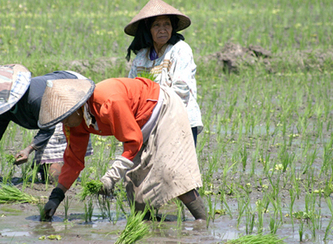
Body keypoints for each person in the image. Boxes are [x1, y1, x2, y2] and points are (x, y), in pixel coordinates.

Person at [37, 77, 207, 222]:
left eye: (65, 117)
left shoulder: (108, 102)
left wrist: (110, 178)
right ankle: (150, 229)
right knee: (137, 191)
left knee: (171, 174)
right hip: (139, 126)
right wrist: (56, 197)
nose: (63, 123)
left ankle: (202, 223)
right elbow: (73, 160)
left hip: (163, 109)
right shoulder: (75, 123)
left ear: (76, 107)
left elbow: (133, 141)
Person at [0, 64, 93, 186]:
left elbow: (48, 127)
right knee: (44, 176)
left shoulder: (34, 98)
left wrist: (29, 150)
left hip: (70, 94)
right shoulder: (3, 111)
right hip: (49, 110)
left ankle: (65, 193)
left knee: (53, 175)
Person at [125, 0, 203, 146]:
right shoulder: (142, 57)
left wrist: (153, 106)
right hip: (149, 123)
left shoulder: (180, 50)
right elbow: (131, 90)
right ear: (148, 30)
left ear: (172, 27)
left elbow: (182, 88)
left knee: (180, 167)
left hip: (179, 120)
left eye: (167, 24)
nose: (162, 29)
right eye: (156, 25)